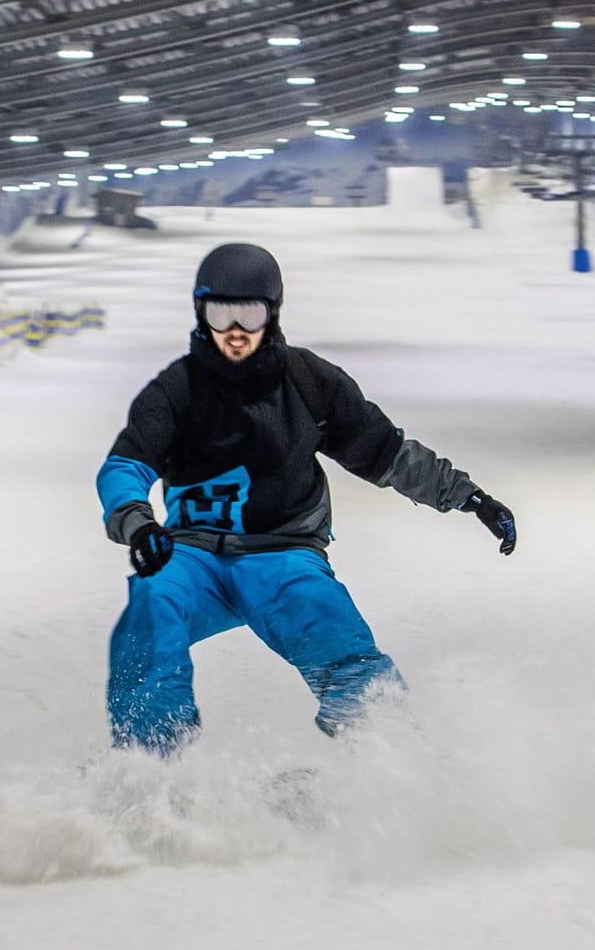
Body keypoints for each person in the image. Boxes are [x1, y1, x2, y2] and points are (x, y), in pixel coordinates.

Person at [96, 242, 517, 756]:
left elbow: (386, 453)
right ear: (200, 312)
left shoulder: (309, 383)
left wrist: (470, 498)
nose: (234, 330)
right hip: (193, 555)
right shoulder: (175, 391)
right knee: (151, 605)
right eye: (220, 313)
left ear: (271, 313)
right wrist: (137, 522)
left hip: (283, 554)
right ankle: (149, 759)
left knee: (332, 629)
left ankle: (385, 755)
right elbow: (126, 466)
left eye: (248, 314)